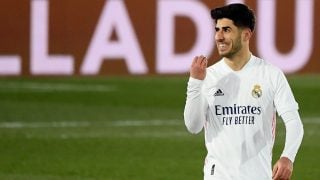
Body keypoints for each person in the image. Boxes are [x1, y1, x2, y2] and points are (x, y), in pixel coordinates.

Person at [184, 3, 304, 180]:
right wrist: (195, 82)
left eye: (226, 30)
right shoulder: (208, 76)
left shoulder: (270, 74)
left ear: (246, 34)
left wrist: (288, 157)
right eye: (217, 30)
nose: (219, 37)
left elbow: (294, 122)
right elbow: (193, 127)